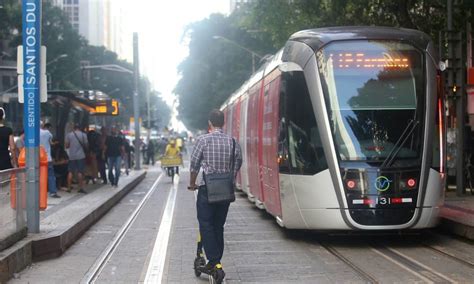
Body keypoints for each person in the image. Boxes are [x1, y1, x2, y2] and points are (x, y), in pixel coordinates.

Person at [188, 109, 242, 283]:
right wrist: (230, 177)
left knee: (206, 224)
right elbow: (238, 161)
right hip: (225, 190)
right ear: (223, 123)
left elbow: (194, 164)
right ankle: (216, 260)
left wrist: (192, 183)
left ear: (209, 123)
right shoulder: (233, 142)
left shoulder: (203, 140)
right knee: (218, 225)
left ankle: (214, 261)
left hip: (207, 190)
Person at [65, 124, 88, 194]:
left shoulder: (69, 135)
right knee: (80, 172)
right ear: (80, 128)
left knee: (70, 172)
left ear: (74, 128)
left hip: (72, 156)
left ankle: (69, 188)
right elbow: (86, 145)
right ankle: (80, 188)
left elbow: (66, 146)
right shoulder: (83, 135)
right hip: (81, 156)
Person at [40, 122, 60, 198]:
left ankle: (40, 192)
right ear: (42, 125)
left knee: (39, 175)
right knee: (51, 175)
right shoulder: (47, 132)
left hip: (38, 158)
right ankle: (53, 192)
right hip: (47, 158)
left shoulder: (34, 133)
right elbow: (51, 142)